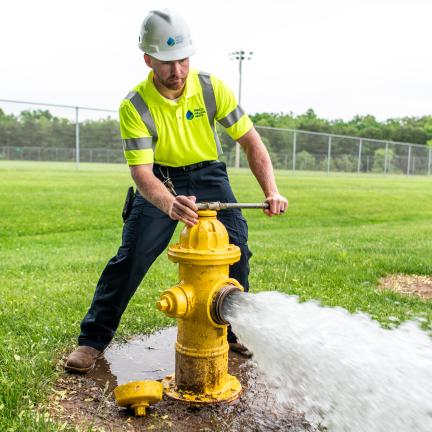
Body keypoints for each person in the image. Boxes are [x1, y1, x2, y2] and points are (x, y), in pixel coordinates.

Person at [65, 8, 288, 373]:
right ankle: (92, 341)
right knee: (132, 256)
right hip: (162, 180)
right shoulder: (134, 104)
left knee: (237, 252)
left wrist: (272, 189)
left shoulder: (211, 87)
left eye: (183, 60)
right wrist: (169, 204)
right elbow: (141, 172)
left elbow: (250, 141)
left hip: (209, 174)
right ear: (148, 58)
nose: (177, 71)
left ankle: (231, 331)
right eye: (167, 62)